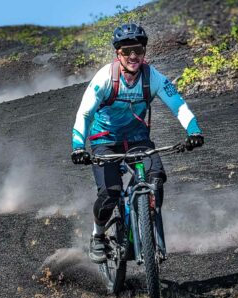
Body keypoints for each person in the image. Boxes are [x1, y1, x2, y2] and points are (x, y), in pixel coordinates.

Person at [70, 23, 204, 263]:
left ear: (144, 52)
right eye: (127, 51)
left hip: (138, 139)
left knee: (156, 177)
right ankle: (98, 236)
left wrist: (193, 131)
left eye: (139, 51)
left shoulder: (153, 77)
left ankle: (146, 216)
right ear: (118, 53)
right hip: (105, 141)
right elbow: (84, 114)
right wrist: (78, 146)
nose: (133, 56)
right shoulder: (104, 78)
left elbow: (178, 105)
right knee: (109, 194)